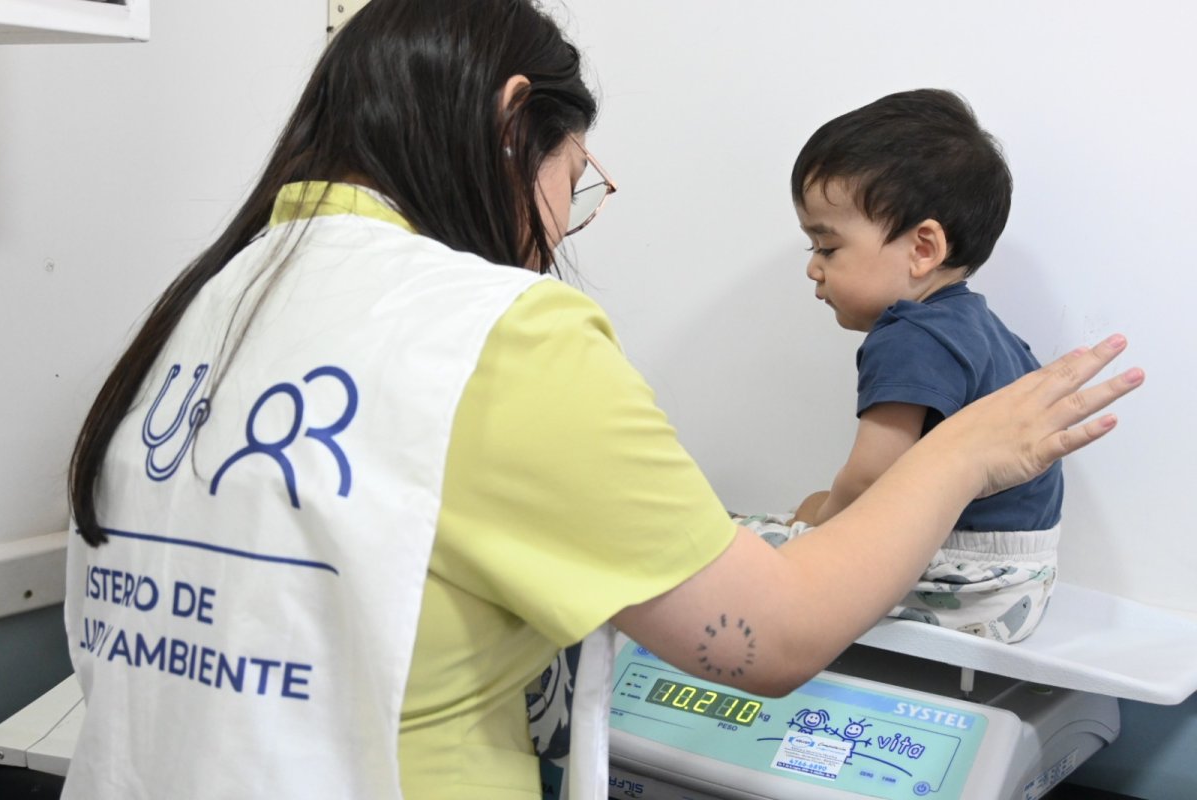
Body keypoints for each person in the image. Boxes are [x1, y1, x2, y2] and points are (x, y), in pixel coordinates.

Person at [62, 3, 1142, 798]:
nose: (557, 228)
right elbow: (770, 635)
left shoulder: (208, 295)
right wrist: (973, 453)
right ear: (511, 119)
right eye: (573, 180)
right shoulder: (493, 328)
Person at [775, 89, 1062, 643]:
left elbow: (869, 479)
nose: (812, 268)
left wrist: (812, 527)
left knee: (746, 545)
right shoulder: (989, 332)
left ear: (923, 248)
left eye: (826, 247)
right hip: (1022, 582)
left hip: (962, 581)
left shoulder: (909, 332)